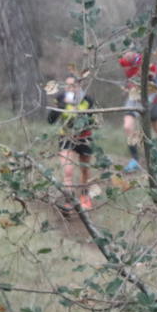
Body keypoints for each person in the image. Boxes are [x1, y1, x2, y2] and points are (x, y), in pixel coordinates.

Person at [45, 74, 97, 211]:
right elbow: (50, 121)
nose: (69, 88)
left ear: (79, 86)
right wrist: (60, 108)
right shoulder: (60, 98)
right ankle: (69, 202)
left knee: (85, 169)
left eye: (73, 85)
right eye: (67, 85)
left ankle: (85, 196)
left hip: (84, 137)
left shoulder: (87, 100)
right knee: (67, 171)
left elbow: (93, 121)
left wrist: (81, 113)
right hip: (66, 137)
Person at [118, 50, 157, 172]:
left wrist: (145, 76)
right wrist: (128, 86)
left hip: (151, 94)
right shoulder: (124, 62)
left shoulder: (148, 63)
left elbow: (153, 79)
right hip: (134, 94)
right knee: (128, 126)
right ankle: (135, 160)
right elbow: (128, 76)